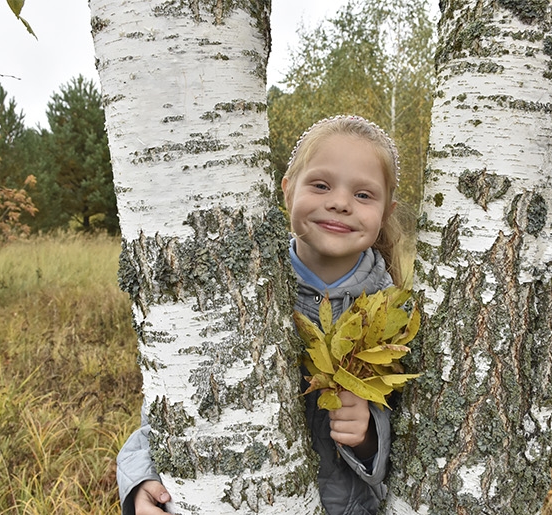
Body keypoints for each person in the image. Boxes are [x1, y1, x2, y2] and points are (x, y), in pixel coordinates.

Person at [117, 115, 404, 515]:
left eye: (363, 195)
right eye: (320, 185)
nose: (340, 202)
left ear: (386, 211)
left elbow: (416, 437)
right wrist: (139, 477)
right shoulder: (238, 293)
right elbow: (175, 400)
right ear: (287, 191)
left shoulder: (395, 313)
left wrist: (368, 435)